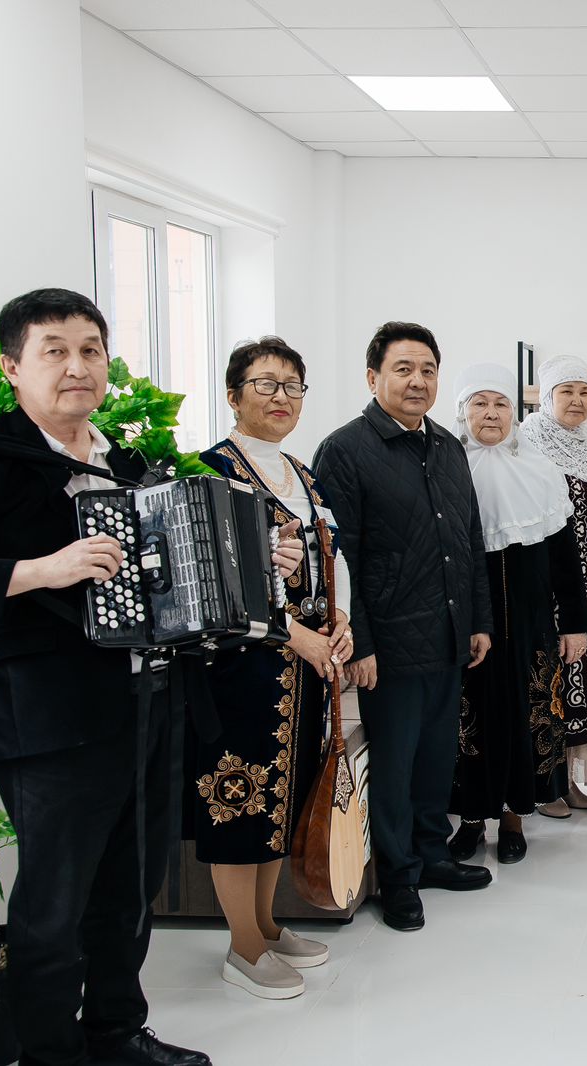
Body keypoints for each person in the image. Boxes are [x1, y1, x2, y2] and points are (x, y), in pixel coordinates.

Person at [0, 289, 220, 1065]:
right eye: (55, 351)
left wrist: (248, 567)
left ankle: (115, 1031)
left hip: (145, 699)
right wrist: (40, 570)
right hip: (46, 715)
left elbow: (167, 576)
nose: (77, 367)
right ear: (14, 368)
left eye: (91, 350)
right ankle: (50, 1053)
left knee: (129, 888)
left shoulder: (126, 462)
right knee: (55, 899)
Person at [311, 321, 494, 933]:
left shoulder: (446, 444)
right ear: (373, 377)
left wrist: (478, 621)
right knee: (393, 761)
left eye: (428, 370)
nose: (418, 381)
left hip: (447, 633)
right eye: (403, 369)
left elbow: (469, 538)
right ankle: (396, 876)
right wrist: (357, 641)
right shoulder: (346, 449)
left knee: (435, 757)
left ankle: (431, 855)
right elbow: (342, 556)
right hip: (386, 641)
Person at [189, 336, 352, 999]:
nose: (282, 397)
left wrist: (341, 624)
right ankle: (243, 946)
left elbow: (327, 560)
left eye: (293, 385)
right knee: (242, 796)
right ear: (233, 396)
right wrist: (296, 635)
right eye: (266, 384)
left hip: (307, 663)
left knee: (281, 799)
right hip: (242, 666)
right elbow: (216, 581)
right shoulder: (211, 472)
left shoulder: (302, 473)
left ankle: (267, 924)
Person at [445, 364, 587, 863]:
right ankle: (468, 820)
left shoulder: (541, 471)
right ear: (462, 413)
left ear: (515, 412)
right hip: (467, 626)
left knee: (528, 717)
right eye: (479, 403)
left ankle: (514, 818)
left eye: (501, 403)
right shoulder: (447, 471)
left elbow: (567, 559)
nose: (491, 413)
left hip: (532, 625)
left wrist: (575, 624)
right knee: (473, 719)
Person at [518, 355, 587, 816]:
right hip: (545, 587)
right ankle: (541, 784)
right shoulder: (529, 446)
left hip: (582, 587)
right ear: (547, 397)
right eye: (566, 391)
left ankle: (567, 781)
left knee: (576, 684)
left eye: (584, 391)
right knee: (544, 683)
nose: (576, 400)